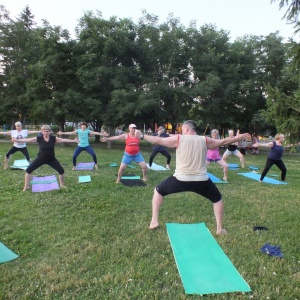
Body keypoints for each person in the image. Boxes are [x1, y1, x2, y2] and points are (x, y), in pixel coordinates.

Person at [137, 120, 250, 235]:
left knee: (158, 191)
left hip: (180, 180)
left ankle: (154, 221)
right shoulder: (205, 140)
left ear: (186, 129)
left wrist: (141, 135)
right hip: (201, 181)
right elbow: (223, 141)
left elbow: (158, 140)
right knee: (218, 200)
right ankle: (219, 229)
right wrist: (237, 138)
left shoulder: (179, 138)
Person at [12, 125, 79, 191]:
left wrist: (73, 141)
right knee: (28, 170)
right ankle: (26, 187)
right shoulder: (39, 138)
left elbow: (63, 140)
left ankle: (62, 185)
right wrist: (16, 140)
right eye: (44, 131)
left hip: (51, 159)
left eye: (47, 131)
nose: (46, 133)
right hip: (40, 158)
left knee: (61, 171)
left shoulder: (53, 138)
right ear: (42, 131)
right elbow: (27, 140)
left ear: (49, 132)